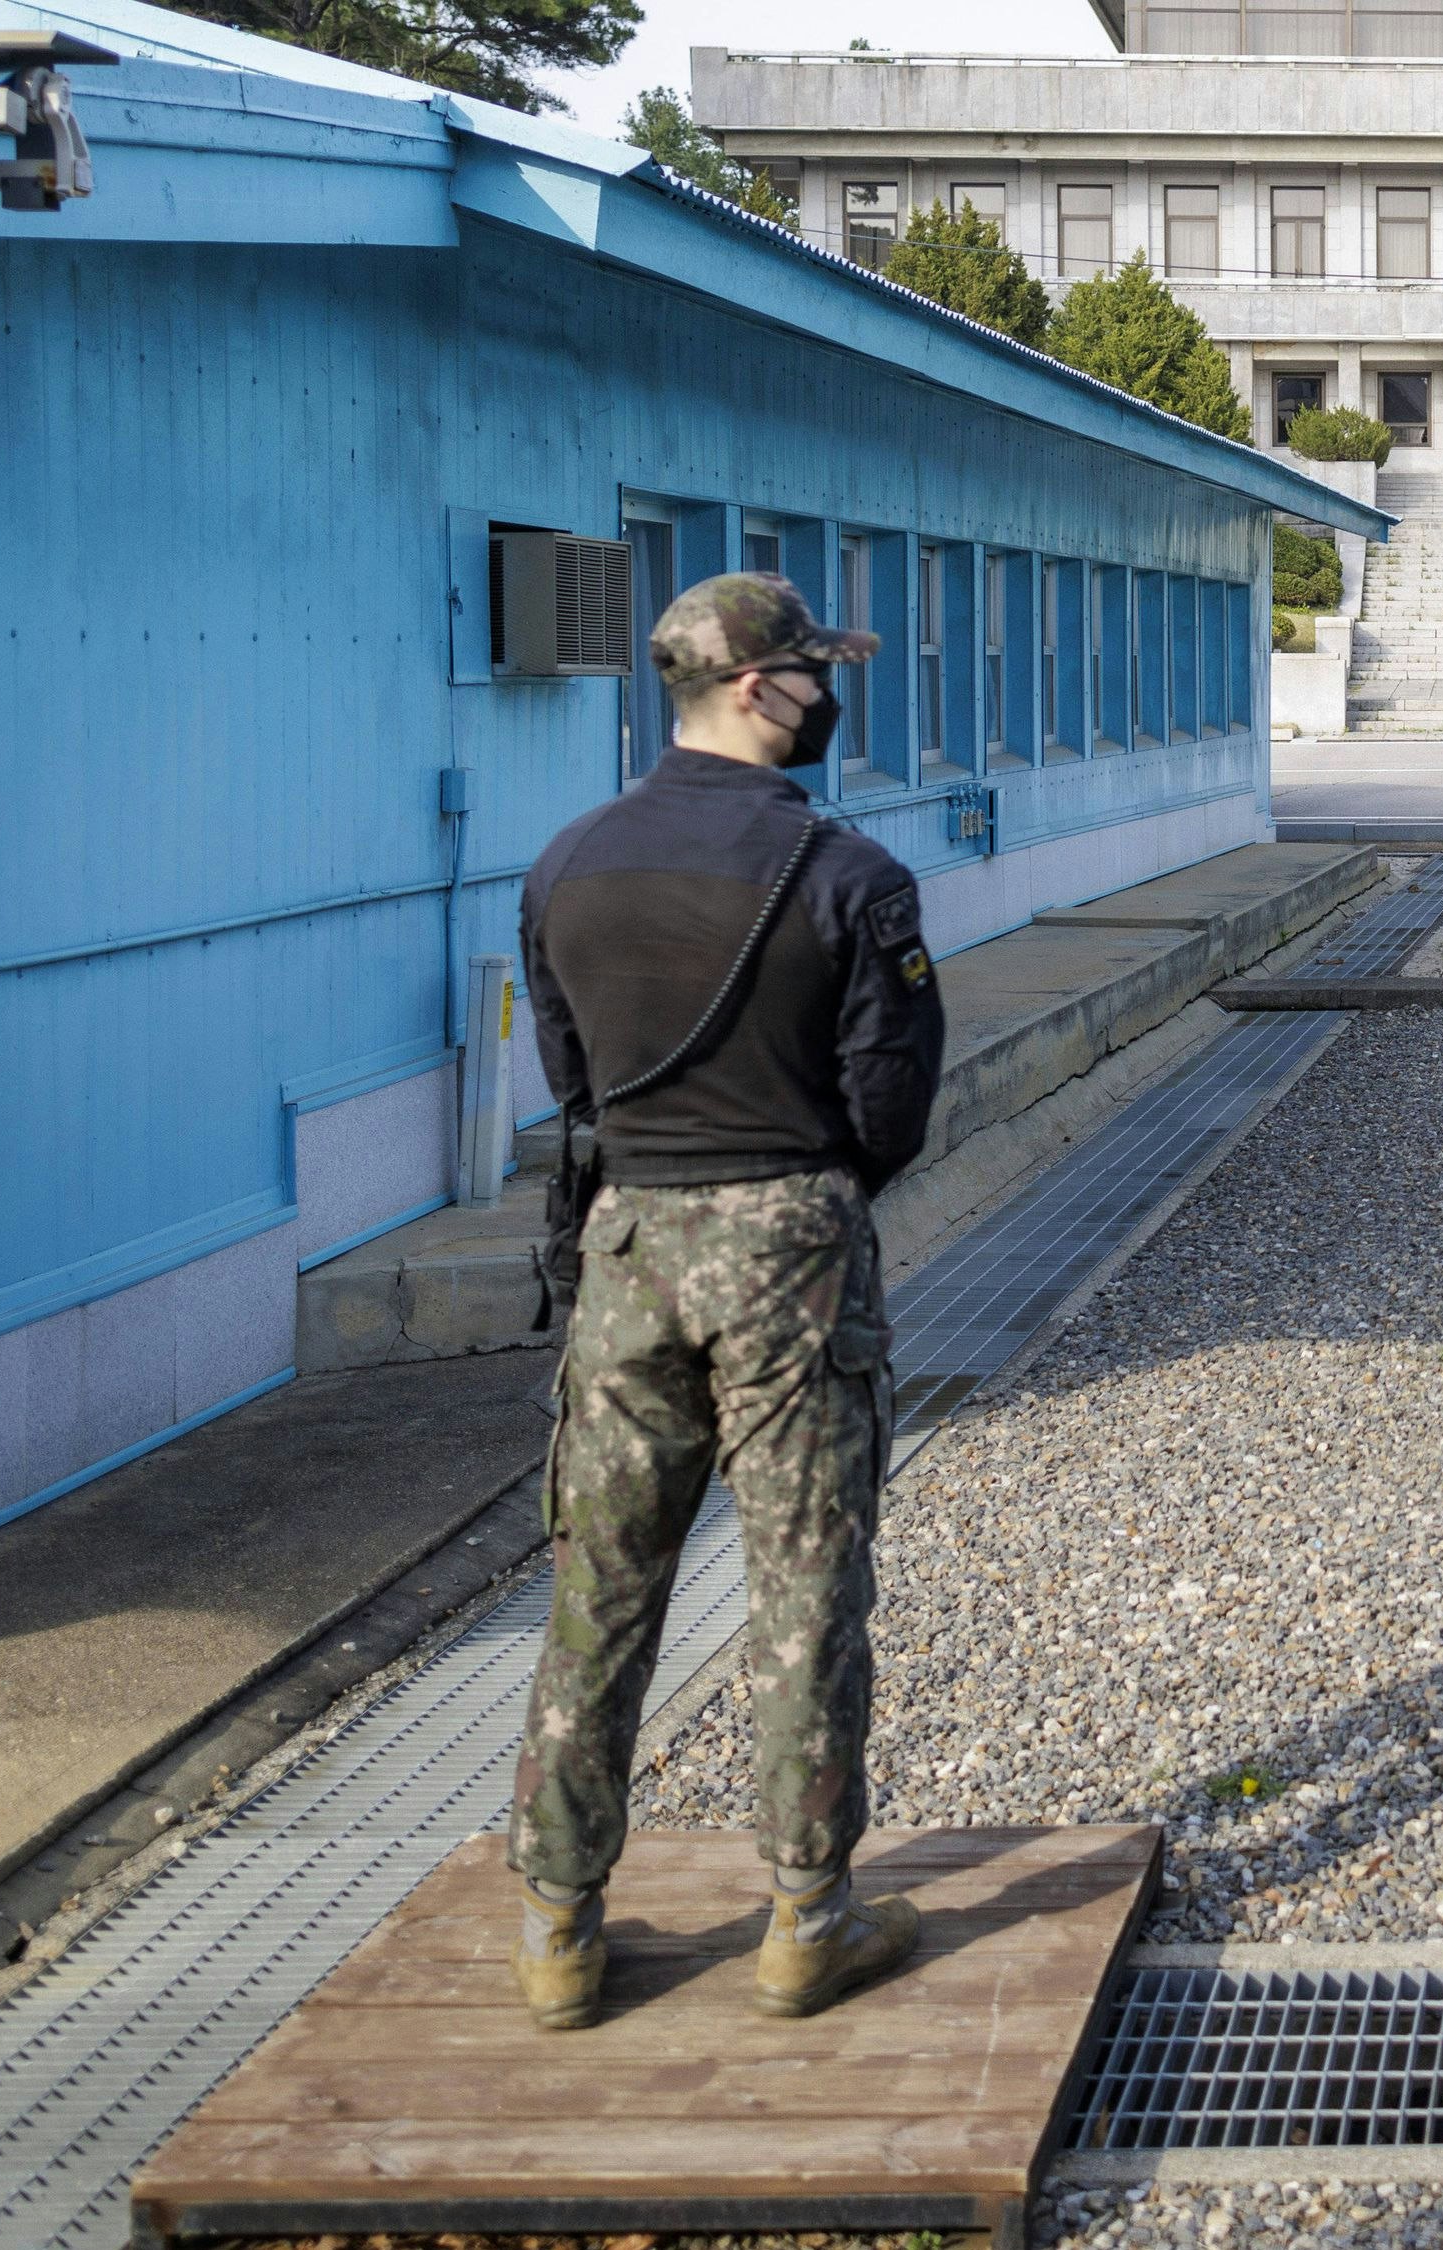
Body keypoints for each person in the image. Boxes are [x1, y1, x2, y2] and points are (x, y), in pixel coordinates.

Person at [505, 572, 947, 2031]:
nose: (829, 695)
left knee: (600, 1585)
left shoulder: (565, 864)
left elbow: (576, 1088)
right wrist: (794, 1181)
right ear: (755, 688)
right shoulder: (850, 875)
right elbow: (892, 1110)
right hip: (794, 1251)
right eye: (813, 672)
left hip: (628, 1252)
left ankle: (560, 1932)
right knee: (805, 1587)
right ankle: (806, 1922)